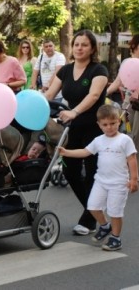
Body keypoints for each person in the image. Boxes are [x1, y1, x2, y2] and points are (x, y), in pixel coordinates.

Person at [45, 29, 109, 236]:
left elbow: (94, 95)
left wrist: (74, 111)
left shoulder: (98, 70)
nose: (79, 48)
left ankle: (89, 219)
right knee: (69, 171)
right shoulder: (64, 70)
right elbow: (49, 94)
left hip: (93, 129)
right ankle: (93, 211)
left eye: (84, 45)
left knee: (91, 174)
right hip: (72, 129)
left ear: (92, 49)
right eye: (76, 44)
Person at [58, 104, 138, 251]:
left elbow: (132, 159)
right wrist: (66, 152)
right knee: (92, 206)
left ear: (118, 122)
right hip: (101, 181)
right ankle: (104, 226)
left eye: (113, 123)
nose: (109, 127)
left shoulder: (124, 140)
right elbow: (84, 152)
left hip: (119, 183)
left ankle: (115, 238)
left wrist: (134, 179)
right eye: (105, 124)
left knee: (115, 212)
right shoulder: (99, 140)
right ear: (99, 125)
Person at [107, 34, 139, 164]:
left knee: (136, 136)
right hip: (128, 105)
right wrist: (102, 94)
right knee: (127, 135)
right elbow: (118, 82)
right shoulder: (127, 62)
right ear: (134, 46)